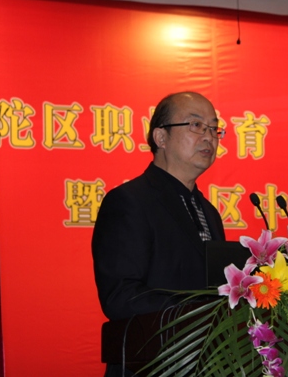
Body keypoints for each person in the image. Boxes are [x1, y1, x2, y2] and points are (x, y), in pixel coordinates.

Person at [92, 91, 226, 376]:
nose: (209, 137)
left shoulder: (209, 212)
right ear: (161, 137)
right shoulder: (129, 201)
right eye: (196, 125)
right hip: (150, 366)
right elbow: (120, 295)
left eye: (214, 129)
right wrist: (201, 311)